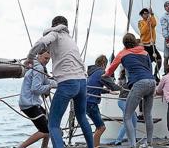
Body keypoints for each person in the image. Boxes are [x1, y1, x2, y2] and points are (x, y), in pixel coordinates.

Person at [24, 16, 93, 148]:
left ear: (54, 26)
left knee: (53, 124)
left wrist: (30, 57)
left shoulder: (55, 34)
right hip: (82, 82)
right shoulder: (70, 40)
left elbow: (41, 43)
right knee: (82, 117)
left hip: (68, 83)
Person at [103, 33, 156, 148]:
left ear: (124, 44)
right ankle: (150, 143)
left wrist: (104, 75)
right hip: (151, 82)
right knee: (148, 115)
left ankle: (132, 145)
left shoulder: (122, 53)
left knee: (127, 116)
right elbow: (150, 68)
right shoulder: (145, 52)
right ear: (135, 42)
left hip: (139, 83)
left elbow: (111, 69)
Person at [18, 50, 56, 148]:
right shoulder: (39, 68)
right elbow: (36, 89)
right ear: (38, 56)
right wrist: (50, 86)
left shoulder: (36, 66)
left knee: (49, 128)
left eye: (49, 59)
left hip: (33, 103)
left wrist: (57, 83)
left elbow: (46, 81)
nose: (47, 61)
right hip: (29, 104)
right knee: (45, 130)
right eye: (45, 58)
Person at [112, 68, 137, 146]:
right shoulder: (126, 79)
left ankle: (132, 138)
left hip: (125, 101)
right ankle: (119, 140)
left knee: (134, 118)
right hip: (123, 101)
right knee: (128, 119)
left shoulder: (125, 79)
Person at [138, 7, 162, 82]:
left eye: (147, 13)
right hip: (144, 45)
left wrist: (152, 14)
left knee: (159, 60)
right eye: (145, 13)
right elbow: (143, 31)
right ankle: (148, 75)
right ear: (142, 15)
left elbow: (154, 24)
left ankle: (155, 75)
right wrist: (148, 22)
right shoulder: (140, 22)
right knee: (147, 61)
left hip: (151, 45)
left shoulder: (150, 19)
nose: (147, 15)